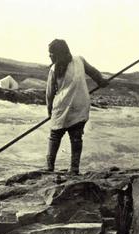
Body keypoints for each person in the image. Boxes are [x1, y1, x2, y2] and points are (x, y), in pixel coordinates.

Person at [45, 39, 108, 175]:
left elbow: (49, 93)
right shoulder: (79, 60)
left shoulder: (54, 69)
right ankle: (74, 169)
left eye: (51, 53)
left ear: (58, 53)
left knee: (55, 136)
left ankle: (49, 167)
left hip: (62, 107)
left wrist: (49, 111)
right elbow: (94, 72)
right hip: (80, 105)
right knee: (76, 137)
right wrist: (101, 81)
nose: (49, 56)